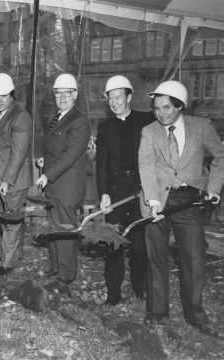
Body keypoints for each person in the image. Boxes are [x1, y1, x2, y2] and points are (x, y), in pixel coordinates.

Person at [139, 80, 224, 338]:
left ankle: (196, 315)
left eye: (166, 107)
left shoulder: (201, 127)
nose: (161, 113)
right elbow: (146, 167)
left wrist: (214, 187)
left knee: (194, 258)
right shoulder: (149, 131)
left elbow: (220, 157)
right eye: (156, 108)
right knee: (156, 257)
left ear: (180, 106)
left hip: (188, 201)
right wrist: (152, 202)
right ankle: (157, 310)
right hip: (157, 201)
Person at [96, 75, 155, 305]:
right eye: (110, 99)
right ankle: (113, 292)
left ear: (129, 97)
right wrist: (103, 192)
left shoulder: (147, 120)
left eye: (118, 97)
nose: (114, 103)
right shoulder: (105, 128)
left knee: (140, 246)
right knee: (114, 243)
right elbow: (101, 165)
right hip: (116, 191)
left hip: (141, 190)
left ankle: (139, 286)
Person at [36, 74, 91, 285]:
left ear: (75, 94)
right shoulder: (56, 118)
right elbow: (54, 149)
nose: (62, 97)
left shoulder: (79, 121)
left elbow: (70, 155)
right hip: (54, 186)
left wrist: (47, 175)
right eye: (58, 93)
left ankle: (66, 276)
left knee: (65, 230)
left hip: (67, 187)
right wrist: (45, 161)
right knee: (53, 228)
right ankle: (55, 267)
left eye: (67, 93)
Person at [0, 73, 32, 276]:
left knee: (11, 220)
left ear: (12, 95)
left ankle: (8, 263)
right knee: (4, 218)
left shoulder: (20, 117)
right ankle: (12, 254)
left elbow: (18, 154)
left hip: (13, 180)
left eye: (3, 96)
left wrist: (6, 181)